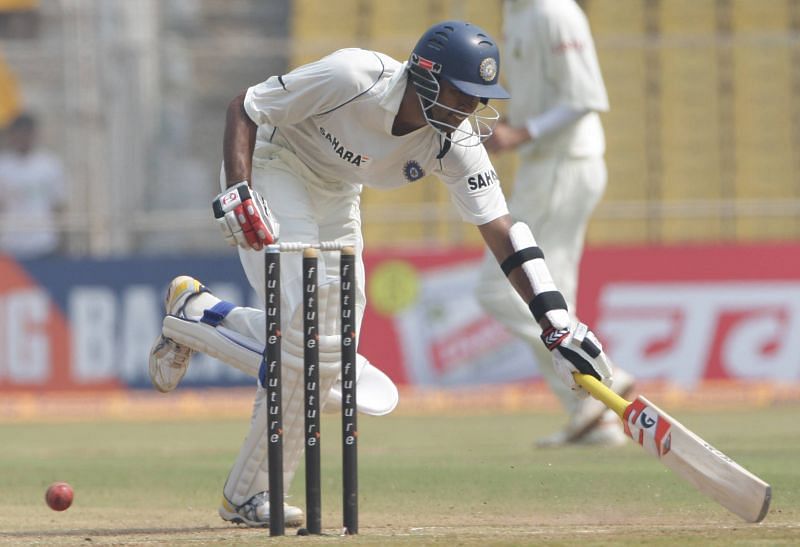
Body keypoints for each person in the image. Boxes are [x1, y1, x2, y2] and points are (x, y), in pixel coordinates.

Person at [148, 20, 618, 528]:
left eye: (476, 102)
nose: (467, 113)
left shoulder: (454, 143)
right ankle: (251, 490)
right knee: (312, 341)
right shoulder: (355, 76)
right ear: (426, 77)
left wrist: (556, 321)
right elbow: (245, 105)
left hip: (338, 192)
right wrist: (238, 187)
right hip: (274, 164)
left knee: (331, 357)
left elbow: (503, 231)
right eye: (460, 97)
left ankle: (196, 316)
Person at [477, 0, 634, 448]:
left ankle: (605, 375)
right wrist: (511, 126)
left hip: (564, 166)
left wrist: (519, 134)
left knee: (499, 289)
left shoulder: (555, 11)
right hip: (543, 166)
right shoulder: (518, 10)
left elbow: (585, 99)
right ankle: (593, 418)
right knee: (555, 298)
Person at [0, 112, 67, 258]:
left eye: (27, 133)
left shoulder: (49, 164)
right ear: (11, 135)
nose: (23, 138)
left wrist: (62, 239)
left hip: (44, 242)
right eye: (19, 133)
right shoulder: (3, 166)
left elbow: (58, 204)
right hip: (11, 244)